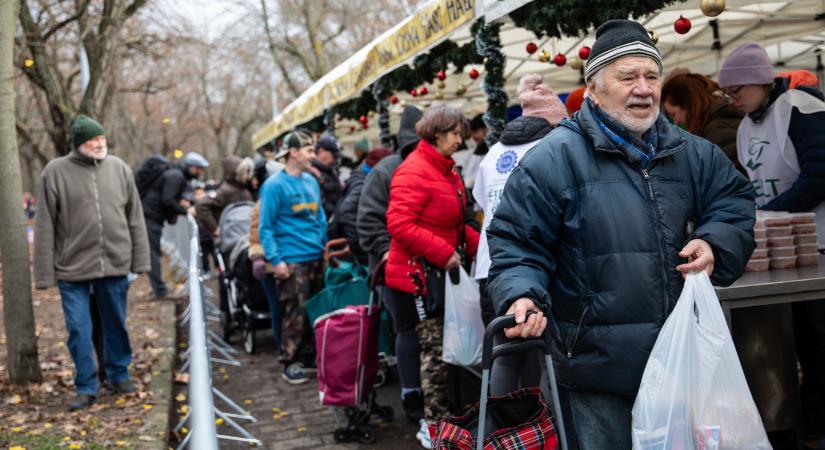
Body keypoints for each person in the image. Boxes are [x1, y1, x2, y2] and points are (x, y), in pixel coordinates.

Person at [486, 20, 755, 449]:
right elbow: (518, 243)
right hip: (596, 370)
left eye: (651, 76)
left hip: (680, 364)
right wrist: (521, 295)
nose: (643, 88)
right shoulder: (552, 160)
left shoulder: (691, 152)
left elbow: (734, 200)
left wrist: (714, 240)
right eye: (627, 77)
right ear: (593, 88)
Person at [719, 42, 825, 438]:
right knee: (796, 340)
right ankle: (804, 422)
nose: (732, 100)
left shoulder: (800, 107)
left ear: (759, 82)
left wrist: (773, 212)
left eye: (736, 91)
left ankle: (817, 421)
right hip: (782, 251)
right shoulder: (747, 125)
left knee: (819, 340)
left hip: (818, 245)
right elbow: (751, 183)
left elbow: (818, 172)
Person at [34, 115, 151, 411]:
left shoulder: (119, 168)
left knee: (115, 325)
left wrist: (140, 260)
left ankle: (118, 374)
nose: (100, 144)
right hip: (72, 269)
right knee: (79, 329)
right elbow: (45, 225)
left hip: (114, 265)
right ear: (78, 144)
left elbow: (135, 217)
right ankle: (86, 386)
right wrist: (44, 274)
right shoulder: (55, 172)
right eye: (93, 140)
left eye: (102, 139)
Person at [386, 104, 480, 448]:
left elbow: (457, 224)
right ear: (436, 132)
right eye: (455, 133)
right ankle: (435, 426)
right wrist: (444, 254)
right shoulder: (414, 170)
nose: (460, 139)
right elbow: (398, 224)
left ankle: (445, 419)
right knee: (434, 355)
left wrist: (482, 248)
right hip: (418, 279)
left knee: (444, 352)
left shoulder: (446, 169)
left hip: (439, 274)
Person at [473, 73, 568, 327]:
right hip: (535, 271)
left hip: (489, 268)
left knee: (500, 359)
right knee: (540, 361)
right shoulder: (552, 147)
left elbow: (481, 201)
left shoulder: (492, 152)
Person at [258, 130, 327, 384]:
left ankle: (309, 357)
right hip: (292, 260)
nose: (313, 155)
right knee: (295, 312)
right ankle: (290, 361)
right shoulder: (274, 186)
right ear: (293, 153)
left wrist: (323, 245)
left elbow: (319, 217)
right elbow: (265, 226)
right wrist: (276, 261)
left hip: (315, 256)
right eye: (309, 150)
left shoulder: (310, 182)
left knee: (315, 310)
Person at [357, 105, 423, 275]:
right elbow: (368, 218)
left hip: (431, 265)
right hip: (392, 269)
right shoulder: (384, 171)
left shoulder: (441, 168)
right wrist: (386, 250)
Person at [141, 151, 209, 299]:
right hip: (150, 217)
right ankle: (159, 289)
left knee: (153, 251)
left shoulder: (176, 175)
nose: (200, 172)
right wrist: (186, 211)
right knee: (152, 253)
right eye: (199, 169)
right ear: (191, 167)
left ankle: (158, 287)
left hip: (152, 216)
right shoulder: (176, 176)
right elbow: (167, 200)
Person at [661, 72, 744, 172]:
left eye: (674, 114)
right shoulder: (717, 121)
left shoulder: (717, 130)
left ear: (687, 104)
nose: (676, 122)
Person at [331, 148, 393, 265]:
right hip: (352, 249)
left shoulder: (360, 176)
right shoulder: (363, 184)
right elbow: (347, 211)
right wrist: (357, 245)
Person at [194, 155, 255, 240]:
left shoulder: (243, 190)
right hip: (232, 238)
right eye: (244, 172)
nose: (246, 175)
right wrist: (215, 229)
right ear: (236, 172)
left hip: (244, 234)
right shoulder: (226, 191)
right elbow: (201, 205)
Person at [309, 135, 343, 218]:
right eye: (333, 154)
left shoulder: (330, 170)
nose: (335, 159)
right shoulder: (311, 174)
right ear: (321, 151)